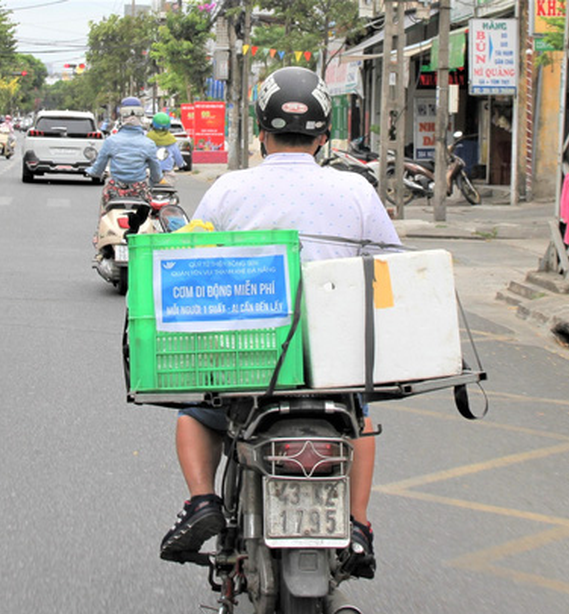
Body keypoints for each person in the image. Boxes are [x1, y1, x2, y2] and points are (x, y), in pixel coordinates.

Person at [158, 67, 402, 579]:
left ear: (261, 132)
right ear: (323, 135)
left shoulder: (229, 189)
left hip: (250, 358)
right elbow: (390, 266)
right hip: (334, 362)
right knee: (361, 419)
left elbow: (192, 257)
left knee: (196, 413)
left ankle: (203, 501)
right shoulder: (356, 191)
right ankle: (357, 525)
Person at [85, 97, 162, 218]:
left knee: (105, 221)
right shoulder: (149, 144)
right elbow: (156, 175)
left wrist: (89, 171)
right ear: (141, 116)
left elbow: (97, 171)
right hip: (139, 192)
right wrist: (154, 181)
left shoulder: (111, 141)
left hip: (114, 192)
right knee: (150, 220)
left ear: (121, 115)